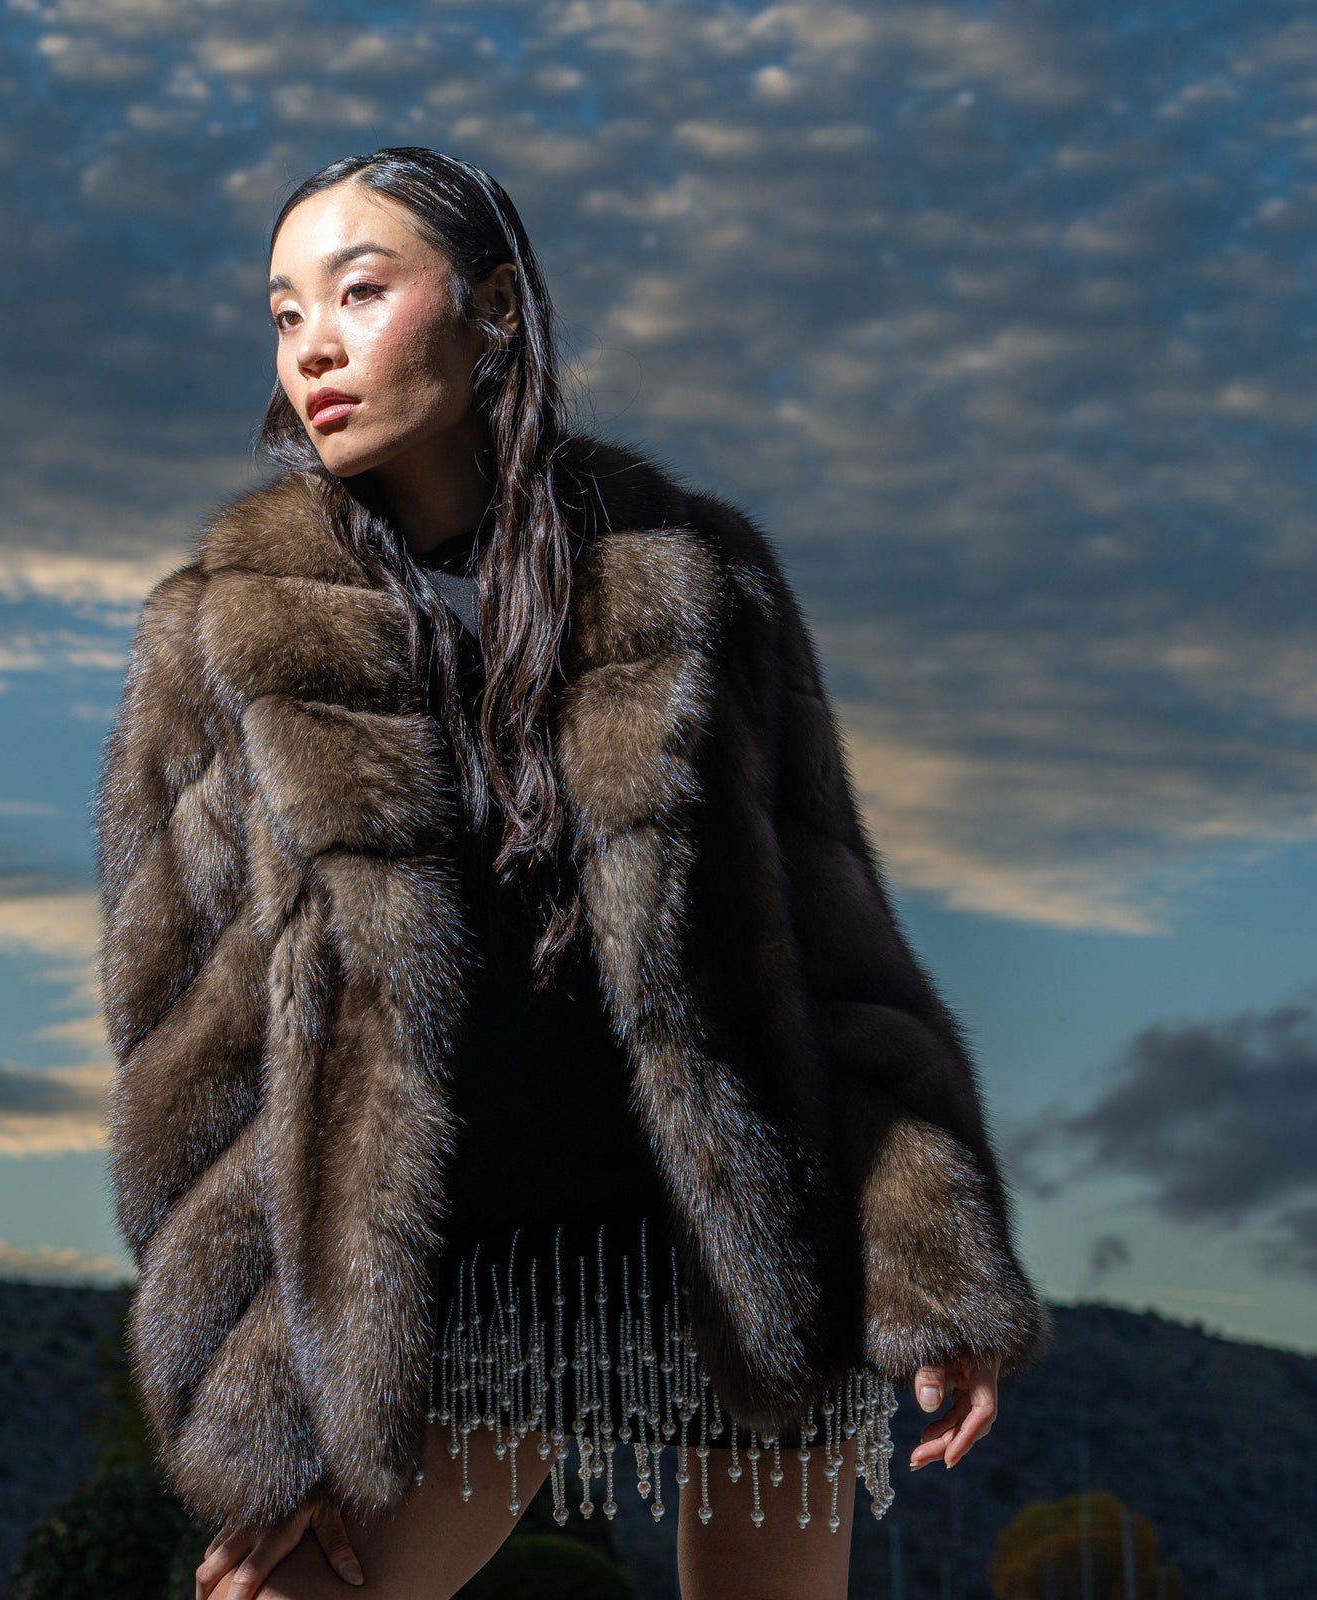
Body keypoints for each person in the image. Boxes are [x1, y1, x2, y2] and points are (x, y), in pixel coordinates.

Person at [92, 148, 1050, 1600]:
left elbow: (836, 947)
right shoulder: (224, 635)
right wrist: (262, 1428)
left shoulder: (690, 577)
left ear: (492, 311)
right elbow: (189, 1060)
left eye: (359, 291)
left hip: (739, 1245)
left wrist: (935, 1265)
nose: (316, 348)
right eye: (285, 314)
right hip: (447, 1276)